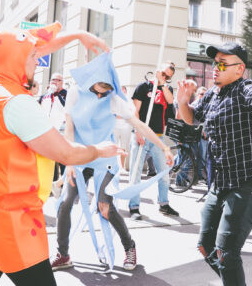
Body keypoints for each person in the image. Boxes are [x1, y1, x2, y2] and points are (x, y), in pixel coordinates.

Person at [0, 23, 127, 285]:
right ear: (17, 59)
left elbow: (31, 48)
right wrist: (99, 150)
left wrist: (79, 35)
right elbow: (66, 153)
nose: (39, 62)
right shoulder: (15, 102)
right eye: (33, 57)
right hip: (10, 217)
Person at [177, 43, 252, 286]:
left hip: (249, 184)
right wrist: (183, 101)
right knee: (206, 246)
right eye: (213, 63)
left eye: (221, 64)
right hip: (220, 185)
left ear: (239, 69)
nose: (214, 68)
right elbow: (191, 118)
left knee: (226, 253)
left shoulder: (244, 88)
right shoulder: (212, 94)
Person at [51, 55, 174, 272]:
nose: (101, 94)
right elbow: (69, 128)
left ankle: (129, 246)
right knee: (66, 203)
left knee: (105, 207)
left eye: (106, 90)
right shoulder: (74, 93)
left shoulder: (114, 99)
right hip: (79, 156)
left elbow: (139, 125)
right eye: (98, 89)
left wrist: (164, 147)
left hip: (105, 159)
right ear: (91, 82)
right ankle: (63, 254)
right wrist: (69, 160)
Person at [128, 61, 179, 220]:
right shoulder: (143, 87)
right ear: (157, 70)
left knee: (163, 172)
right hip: (141, 134)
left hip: (158, 137)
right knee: (135, 173)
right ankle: (134, 206)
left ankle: (164, 203)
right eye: (163, 73)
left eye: (168, 77)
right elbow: (135, 111)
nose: (165, 77)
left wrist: (163, 84)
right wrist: (137, 131)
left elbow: (170, 101)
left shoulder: (167, 89)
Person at [39, 73, 68, 196]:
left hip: (61, 131)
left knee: (62, 160)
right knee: (50, 159)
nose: (55, 82)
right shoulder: (45, 95)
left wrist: (56, 94)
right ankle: (51, 183)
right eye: (53, 80)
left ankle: (64, 185)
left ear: (62, 82)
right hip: (47, 131)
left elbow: (66, 107)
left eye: (58, 80)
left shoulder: (66, 94)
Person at [113, 86, 135, 170]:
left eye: (123, 91)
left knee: (124, 147)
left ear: (125, 92)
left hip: (126, 127)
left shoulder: (129, 102)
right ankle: (114, 166)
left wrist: (121, 115)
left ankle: (122, 167)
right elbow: (113, 114)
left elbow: (130, 113)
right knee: (114, 147)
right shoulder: (114, 101)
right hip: (115, 127)